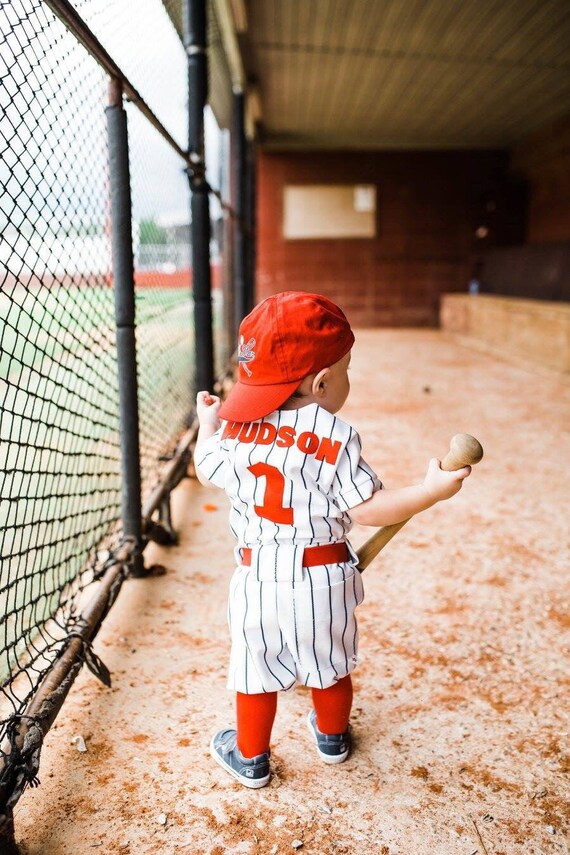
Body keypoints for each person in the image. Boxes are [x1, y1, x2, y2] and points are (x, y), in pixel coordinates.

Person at [194, 291, 470, 789]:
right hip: (325, 577)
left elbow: (205, 464)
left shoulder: (236, 428)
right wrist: (429, 492)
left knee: (255, 670)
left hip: (258, 578)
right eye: (345, 371)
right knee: (330, 666)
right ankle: (331, 738)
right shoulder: (335, 435)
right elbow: (368, 511)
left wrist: (208, 423)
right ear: (322, 382)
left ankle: (251, 757)